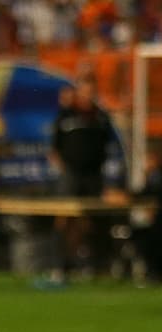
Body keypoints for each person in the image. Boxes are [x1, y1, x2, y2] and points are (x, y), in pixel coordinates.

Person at [49, 76, 120, 279]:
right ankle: (60, 265)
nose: (88, 97)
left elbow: (106, 145)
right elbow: (54, 149)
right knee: (64, 219)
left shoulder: (100, 117)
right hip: (71, 175)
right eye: (84, 92)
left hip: (93, 176)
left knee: (93, 220)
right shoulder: (65, 116)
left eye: (91, 93)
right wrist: (65, 170)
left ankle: (94, 264)